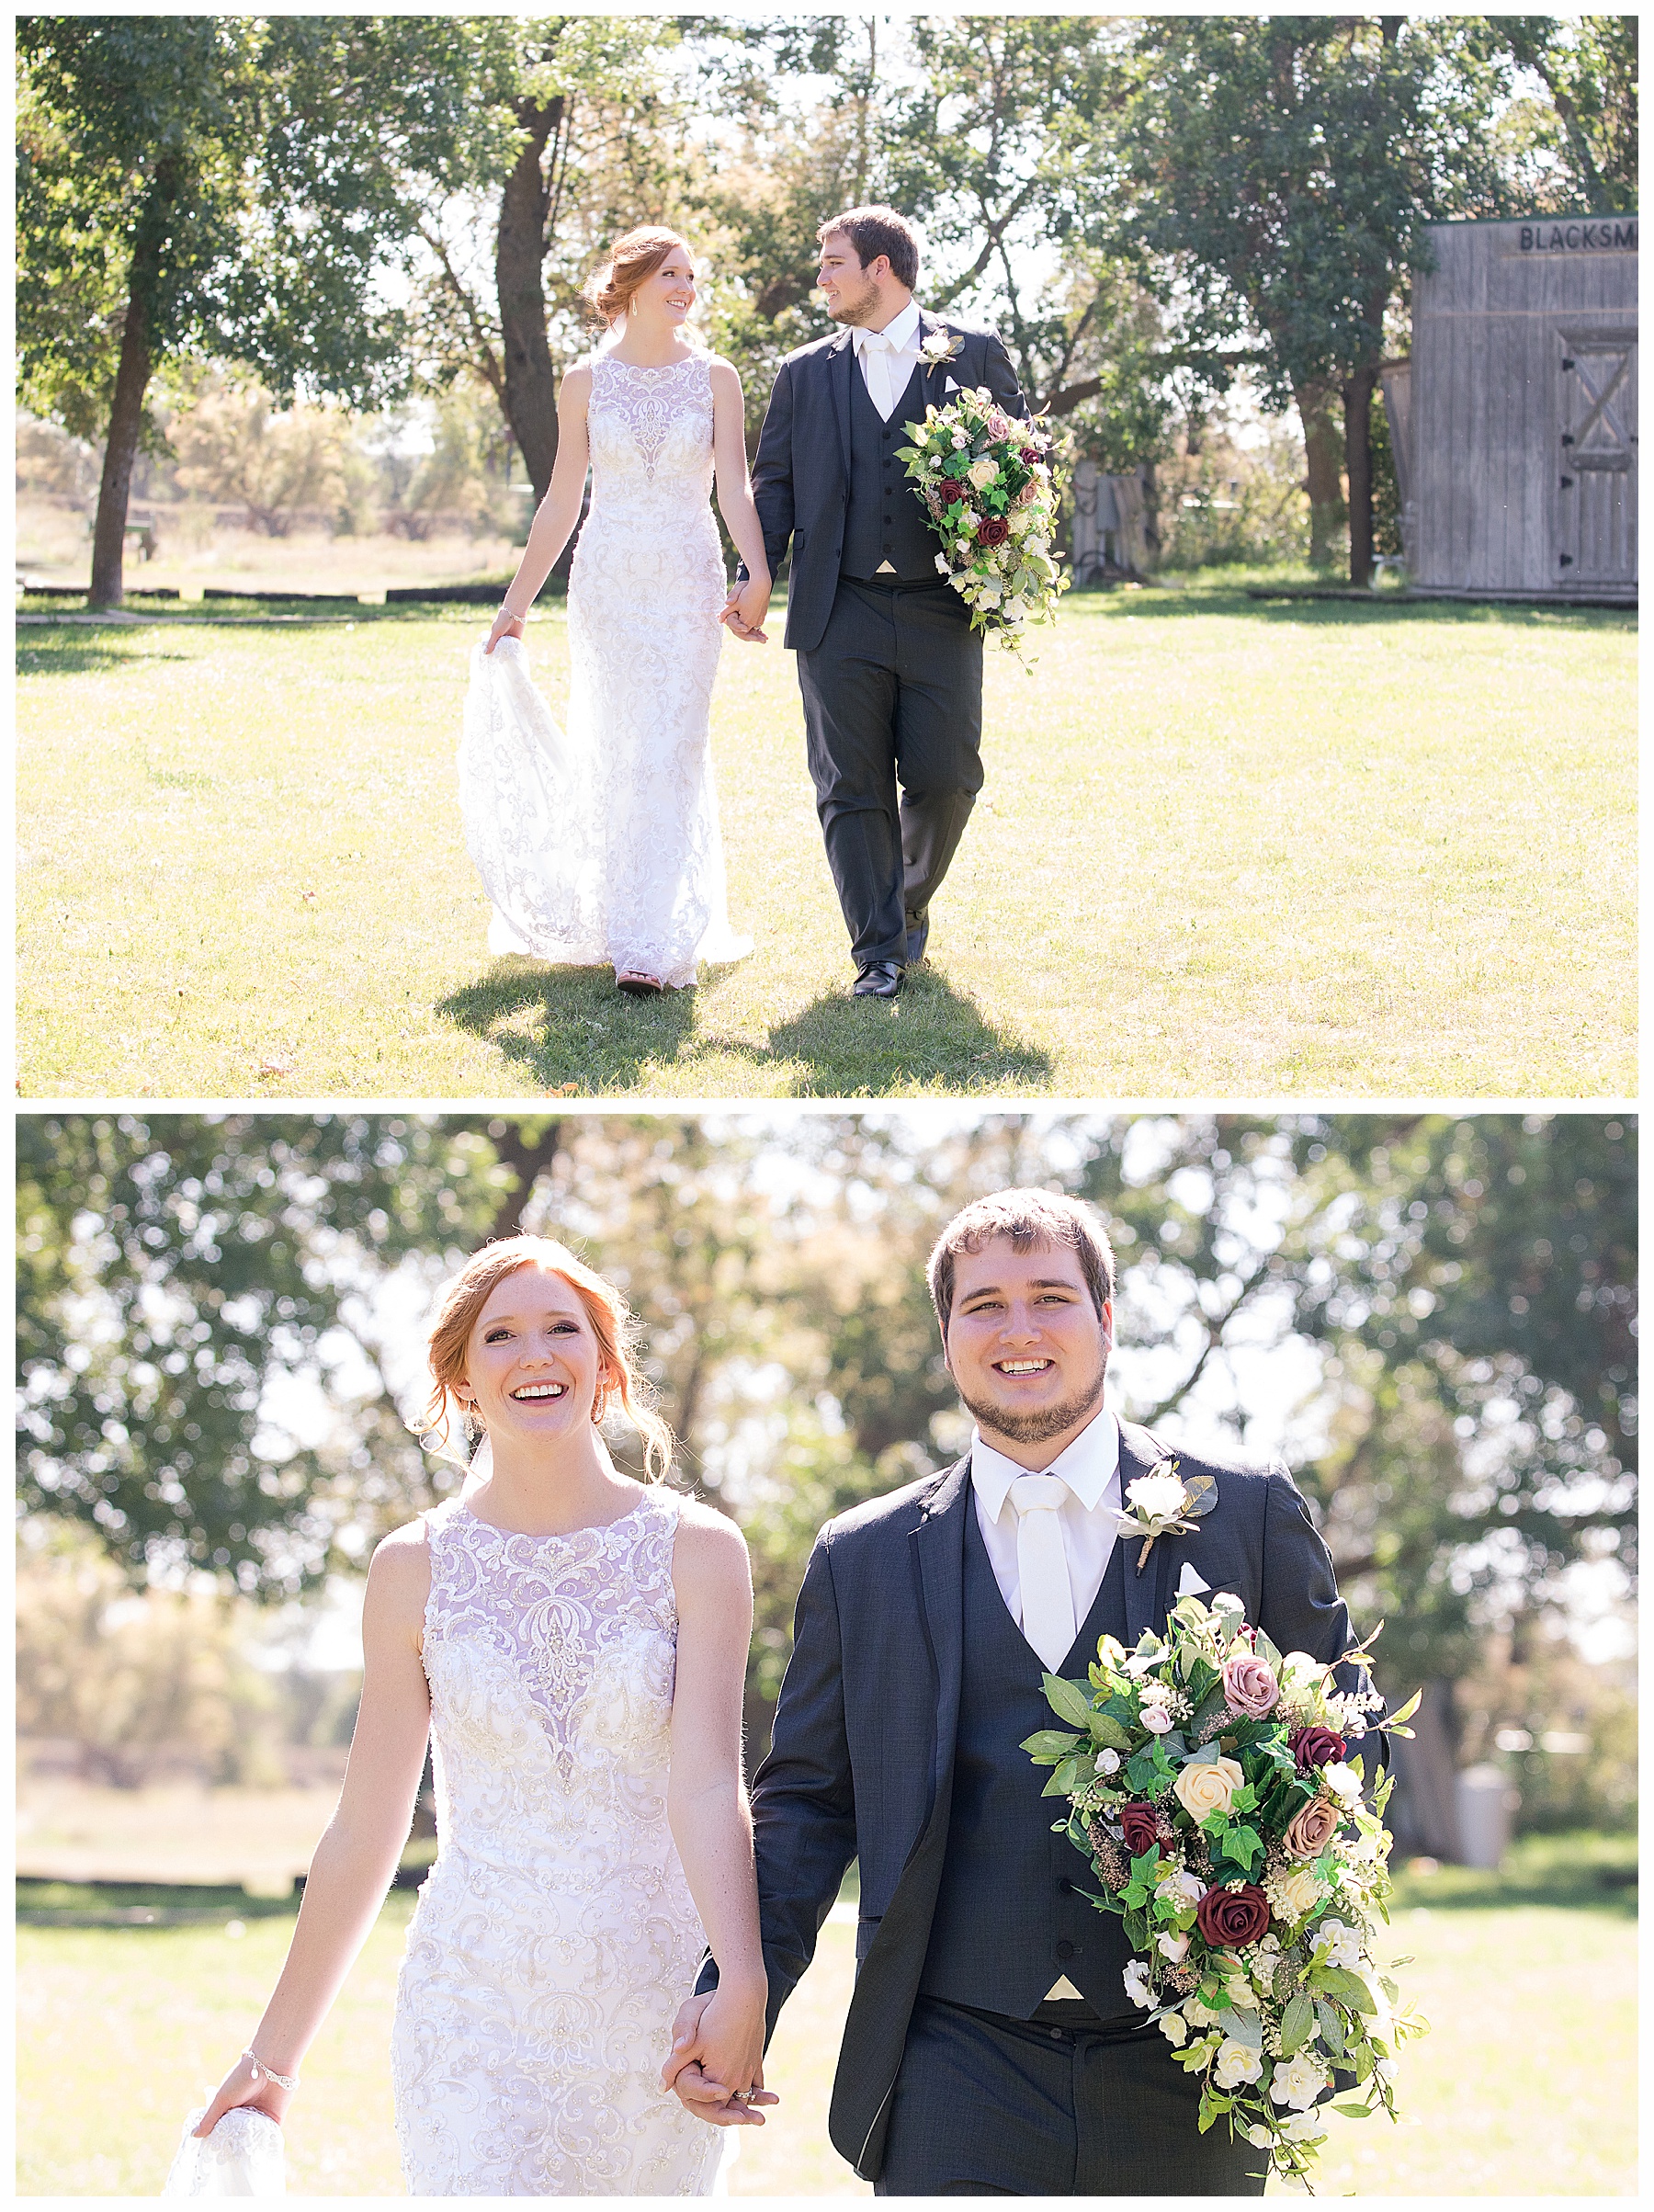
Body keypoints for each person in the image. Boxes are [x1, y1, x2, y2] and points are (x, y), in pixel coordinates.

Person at [666, 1188, 1372, 2195]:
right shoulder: (863, 1559)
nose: (1020, 1329)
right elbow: (811, 1809)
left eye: (1051, 1296)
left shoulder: (1244, 1512)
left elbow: (1351, 1745)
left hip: (1196, 2056)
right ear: (946, 1333)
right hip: (952, 2059)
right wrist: (740, 1989)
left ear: (1107, 1319)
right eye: (984, 1304)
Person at [193, 1234, 770, 2196]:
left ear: (605, 1362)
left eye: (561, 1329)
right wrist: (273, 2056)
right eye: (500, 1335)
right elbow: (364, 1829)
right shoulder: (411, 1568)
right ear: (461, 1376)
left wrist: (741, 1981)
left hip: (651, 2006)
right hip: (471, 2014)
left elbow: (710, 1785)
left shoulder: (698, 1551)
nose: (534, 1355)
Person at [722, 207, 1027, 999]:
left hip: (943, 606)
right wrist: (755, 574)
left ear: (881, 269)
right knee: (850, 785)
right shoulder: (804, 371)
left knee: (949, 777)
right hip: (838, 605)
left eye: (833, 263)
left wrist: (1001, 543)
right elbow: (775, 482)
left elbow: (1024, 467)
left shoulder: (975, 356)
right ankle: (879, 953)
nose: (820, 277)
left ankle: (902, 902)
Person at [468, 229, 766, 997]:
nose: (685, 287)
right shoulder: (583, 381)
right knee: (617, 746)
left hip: (686, 583)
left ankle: (652, 939)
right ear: (632, 283)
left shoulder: (717, 378)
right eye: (671, 273)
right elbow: (563, 500)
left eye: (691, 276)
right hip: (607, 585)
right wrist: (515, 605)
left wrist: (758, 571)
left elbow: (734, 487)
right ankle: (618, 916)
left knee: (672, 747)